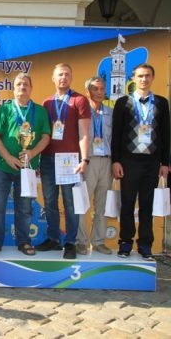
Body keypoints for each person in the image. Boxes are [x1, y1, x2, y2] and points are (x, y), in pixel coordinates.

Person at [112, 63, 170, 260]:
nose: (144, 79)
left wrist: (165, 163)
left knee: (147, 205)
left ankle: (145, 245)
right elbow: (116, 135)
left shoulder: (161, 103)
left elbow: (166, 134)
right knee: (127, 204)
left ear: (152, 78)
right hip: (128, 161)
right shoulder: (123, 102)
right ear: (133, 79)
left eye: (147, 76)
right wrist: (116, 161)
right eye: (140, 76)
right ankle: (125, 243)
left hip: (152, 163)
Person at [0, 73, 50, 255]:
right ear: (13, 89)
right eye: (18, 85)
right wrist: (8, 157)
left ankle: (23, 241)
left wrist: (31, 153)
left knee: (24, 208)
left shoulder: (39, 111)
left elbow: (46, 137)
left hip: (27, 167)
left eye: (25, 85)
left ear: (31, 88)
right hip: (3, 166)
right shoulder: (5, 109)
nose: (22, 87)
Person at [37, 63, 91, 259]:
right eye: (60, 75)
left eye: (67, 74)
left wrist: (84, 159)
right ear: (53, 78)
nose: (63, 78)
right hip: (48, 159)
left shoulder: (79, 100)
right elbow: (42, 134)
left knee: (70, 203)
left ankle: (70, 242)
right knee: (50, 201)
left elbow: (85, 132)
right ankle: (53, 238)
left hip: (70, 160)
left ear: (71, 77)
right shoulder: (46, 103)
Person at [76, 77, 113, 255]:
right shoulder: (82, 112)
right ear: (87, 91)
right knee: (83, 203)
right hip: (88, 161)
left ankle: (98, 241)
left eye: (102, 89)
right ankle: (81, 241)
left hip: (106, 160)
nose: (99, 92)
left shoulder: (111, 113)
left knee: (102, 204)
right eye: (95, 89)